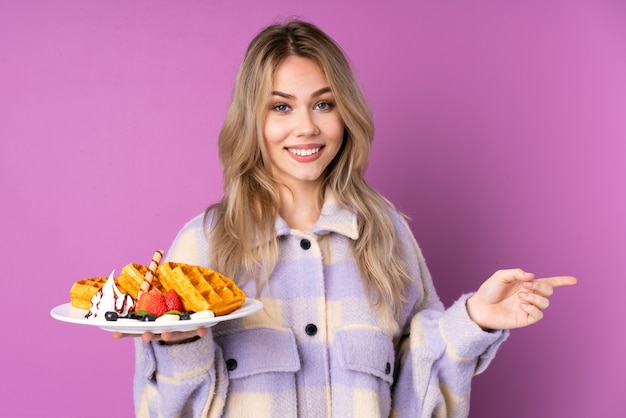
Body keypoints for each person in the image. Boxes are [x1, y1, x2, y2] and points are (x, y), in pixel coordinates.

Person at [113, 20, 576, 417]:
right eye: (280, 107)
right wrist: (178, 348)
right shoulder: (203, 247)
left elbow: (417, 398)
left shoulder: (387, 235)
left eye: (323, 103)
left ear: (344, 112)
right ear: (252, 121)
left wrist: (474, 320)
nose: (306, 127)